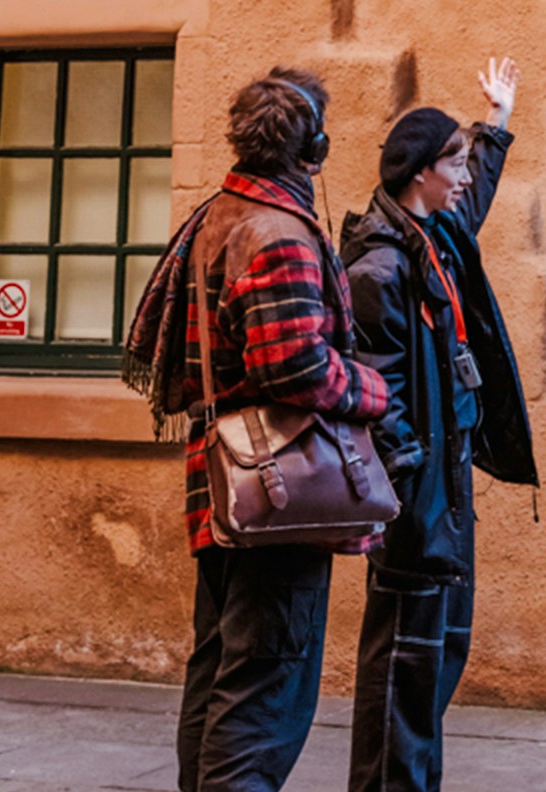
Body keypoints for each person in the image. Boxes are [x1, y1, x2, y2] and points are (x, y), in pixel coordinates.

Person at [122, 67, 390, 792]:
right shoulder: (274, 234)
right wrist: (372, 389)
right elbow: (295, 369)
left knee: (220, 674)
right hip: (279, 495)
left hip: (231, 488)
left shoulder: (220, 212)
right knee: (264, 688)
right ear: (317, 149)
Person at [341, 57, 539, 792]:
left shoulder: (436, 239)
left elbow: (476, 195)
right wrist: (408, 489)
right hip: (417, 495)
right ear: (420, 173)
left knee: (439, 656)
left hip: (447, 481)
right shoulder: (379, 270)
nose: (462, 177)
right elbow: (376, 397)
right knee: (404, 664)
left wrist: (497, 123)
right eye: (452, 164)